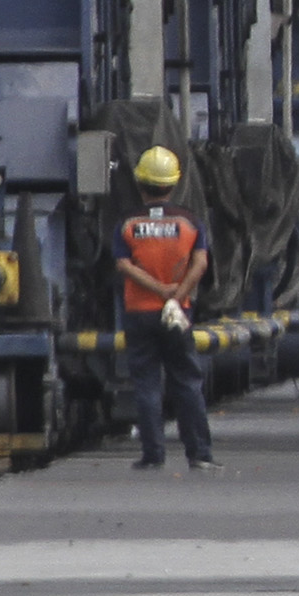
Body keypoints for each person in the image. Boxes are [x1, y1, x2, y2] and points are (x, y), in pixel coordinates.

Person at [113, 147, 214, 473]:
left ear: (140, 182)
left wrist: (156, 290)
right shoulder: (190, 223)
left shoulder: (127, 224)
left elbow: (123, 265)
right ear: (174, 184)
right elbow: (200, 263)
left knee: (145, 383)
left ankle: (153, 454)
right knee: (186, 380)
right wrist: (176, 294)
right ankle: (199, 454)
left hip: (139, 313)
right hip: (177, 313)